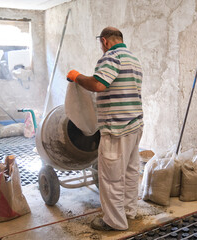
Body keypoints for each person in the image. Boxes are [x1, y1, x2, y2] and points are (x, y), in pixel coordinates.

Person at [66, 27, 143, 231]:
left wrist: (77, 77)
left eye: (101, 44)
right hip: (134, 125)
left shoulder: (111, 57)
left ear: (105, 41)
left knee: (111, 178)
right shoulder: (133, 59)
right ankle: (128, 212)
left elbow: (99, 85)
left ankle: (114, 222)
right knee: (129, 172)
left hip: (116, 128)